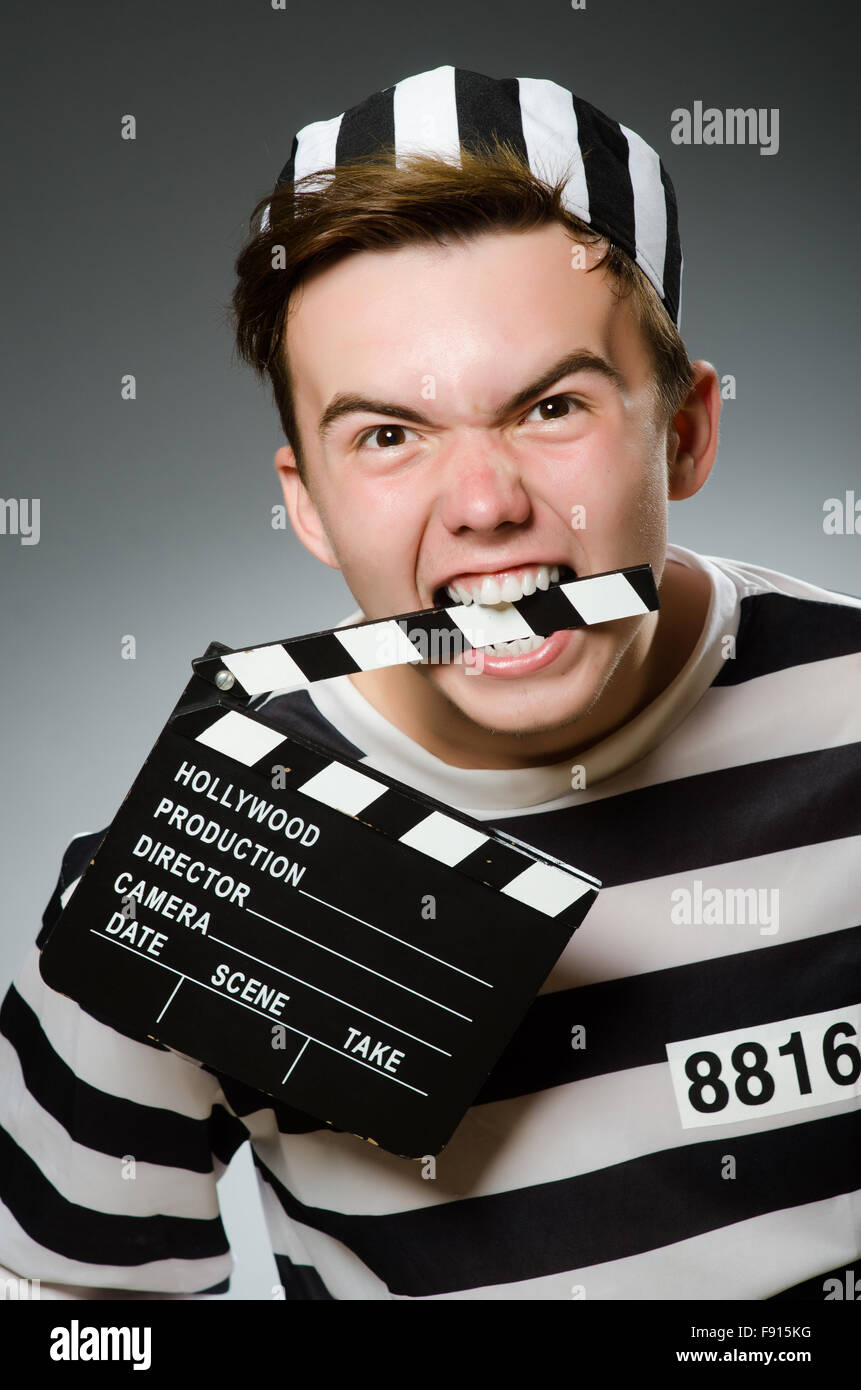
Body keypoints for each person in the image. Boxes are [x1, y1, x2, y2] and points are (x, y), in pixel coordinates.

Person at [1, 64, 858, 1301]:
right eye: (389, 435)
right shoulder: (175, 883)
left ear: (684, 430)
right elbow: (75, 1318)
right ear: (307, 500)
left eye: (552, 405)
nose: (484, 506)